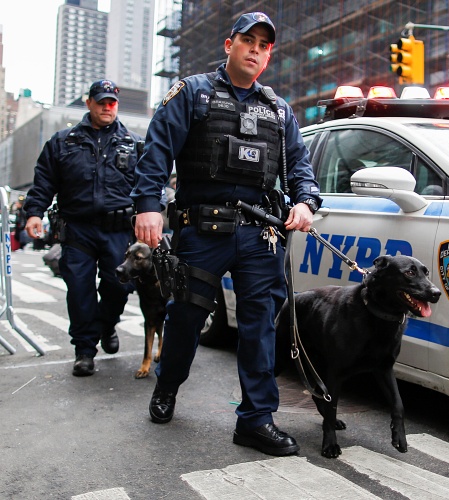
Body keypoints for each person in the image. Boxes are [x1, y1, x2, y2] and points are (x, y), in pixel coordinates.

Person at [132, 12, 321, 456]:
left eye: (264, 45)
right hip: (202, 229)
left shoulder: (278, 109)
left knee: (259, 327)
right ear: (228, 44)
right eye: (248, 40)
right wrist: (148, 206)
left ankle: (255, 420)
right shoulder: (193, 93)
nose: (255, 49)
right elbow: (158, 149)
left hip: (260, 236)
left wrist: (305, 203)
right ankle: (168, 385)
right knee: (186, 319)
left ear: (269, 54)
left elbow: (300, 166)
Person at [24, 79, 143, 377]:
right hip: (77, 229)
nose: (106, 107)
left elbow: (149, 184)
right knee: (79, 290)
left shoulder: (134, 143)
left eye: (112, 103)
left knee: (119, 285)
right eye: (101, 101)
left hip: (118, 230)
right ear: (88, 103)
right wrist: (34, 213)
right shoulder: (63, 142)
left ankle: (106, 326)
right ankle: (85, 351)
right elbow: (44, 181)